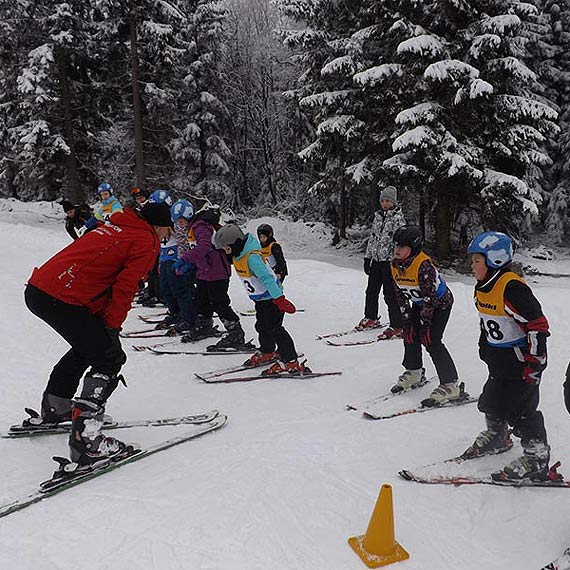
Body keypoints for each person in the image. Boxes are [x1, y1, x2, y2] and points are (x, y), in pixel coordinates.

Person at [22, 202, 172, 467]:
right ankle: (86, 442)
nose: (165, 237)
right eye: (166, 231)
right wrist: (112, 327)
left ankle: (56, 408)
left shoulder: (118, 225)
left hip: (41, 290)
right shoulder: (145, 240)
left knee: (87, 347)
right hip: (62, 297)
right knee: (108, 357)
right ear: (159, 226)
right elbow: (125, 288)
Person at [463, 231, 551, 482]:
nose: (472, 266)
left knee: (522, 409)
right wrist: (485, 346)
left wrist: (535, 362)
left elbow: (537, 325)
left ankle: (537, 458)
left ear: (495, 260)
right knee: (491, 400)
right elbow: (488, 321)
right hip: (500, 360)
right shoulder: (483, 287)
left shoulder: (511, 287)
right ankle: (498, 435)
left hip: (523, 362)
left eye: (476, 261)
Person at [213, 224, 310, 374]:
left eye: (227, 249)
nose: (226, 253)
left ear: (236, 244)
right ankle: (267, 351)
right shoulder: (239, 256)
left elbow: (267, 279)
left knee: (276, 329)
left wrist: (279, 299)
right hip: (261, 300)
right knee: (262, 327)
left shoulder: (251, 258)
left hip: (272, 299)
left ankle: (290, 360)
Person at [390, 225, 462, 407]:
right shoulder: (395, 265)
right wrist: (406, 317)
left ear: (412, 248)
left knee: (431, 340)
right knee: (410, 334)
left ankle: (450, 383)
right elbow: (399, 293)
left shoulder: (423, 266)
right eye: (396, 245)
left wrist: (425, 321)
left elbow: (430, 296)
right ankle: (414, 371)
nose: (397, 250)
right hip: (420, 303)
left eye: (402, 247)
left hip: (440, 304)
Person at [174, 202, 246, 349]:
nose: (180, 224)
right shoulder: (193, 227)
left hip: (216, 272)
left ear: (187, 215)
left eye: (181, 220)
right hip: (204, 271)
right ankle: (204, 325)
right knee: (201, 299)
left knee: (219, 302)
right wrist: (191, 264)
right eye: (177, 222)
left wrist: (186, 258)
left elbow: (204, 246)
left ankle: (235, 332)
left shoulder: (200, 226)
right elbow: (198, 250)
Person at [358, 185, 406, 338]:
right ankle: (371, 317)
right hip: (377, 261)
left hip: (390, 262)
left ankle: (398, 325)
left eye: (388, 201)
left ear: (394, 202)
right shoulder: (378, 217)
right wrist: (368, 258)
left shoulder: (398, 219)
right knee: (371, 290)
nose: (385, 204)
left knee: (390, 294)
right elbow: (373, 239)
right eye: (383, 200)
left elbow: (401, 242)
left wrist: (399, 261)